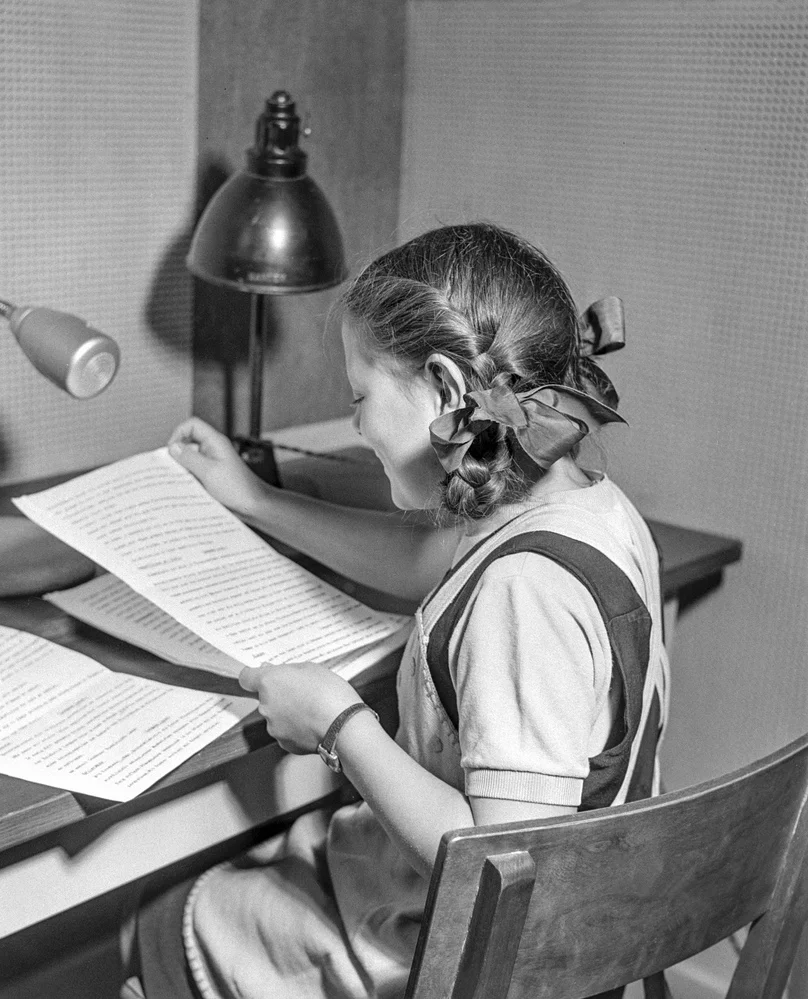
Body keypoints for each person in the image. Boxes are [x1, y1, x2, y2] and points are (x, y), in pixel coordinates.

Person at [125, 222, 669, 999]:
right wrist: (256, 499)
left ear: (447, 391)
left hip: (469, 962)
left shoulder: (524, 593)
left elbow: (499, 860)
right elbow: (427, 557)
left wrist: (339, 726)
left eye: (360, 396)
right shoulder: (589, 510)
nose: (355, 424)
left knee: (164, 916)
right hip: (584, 931)